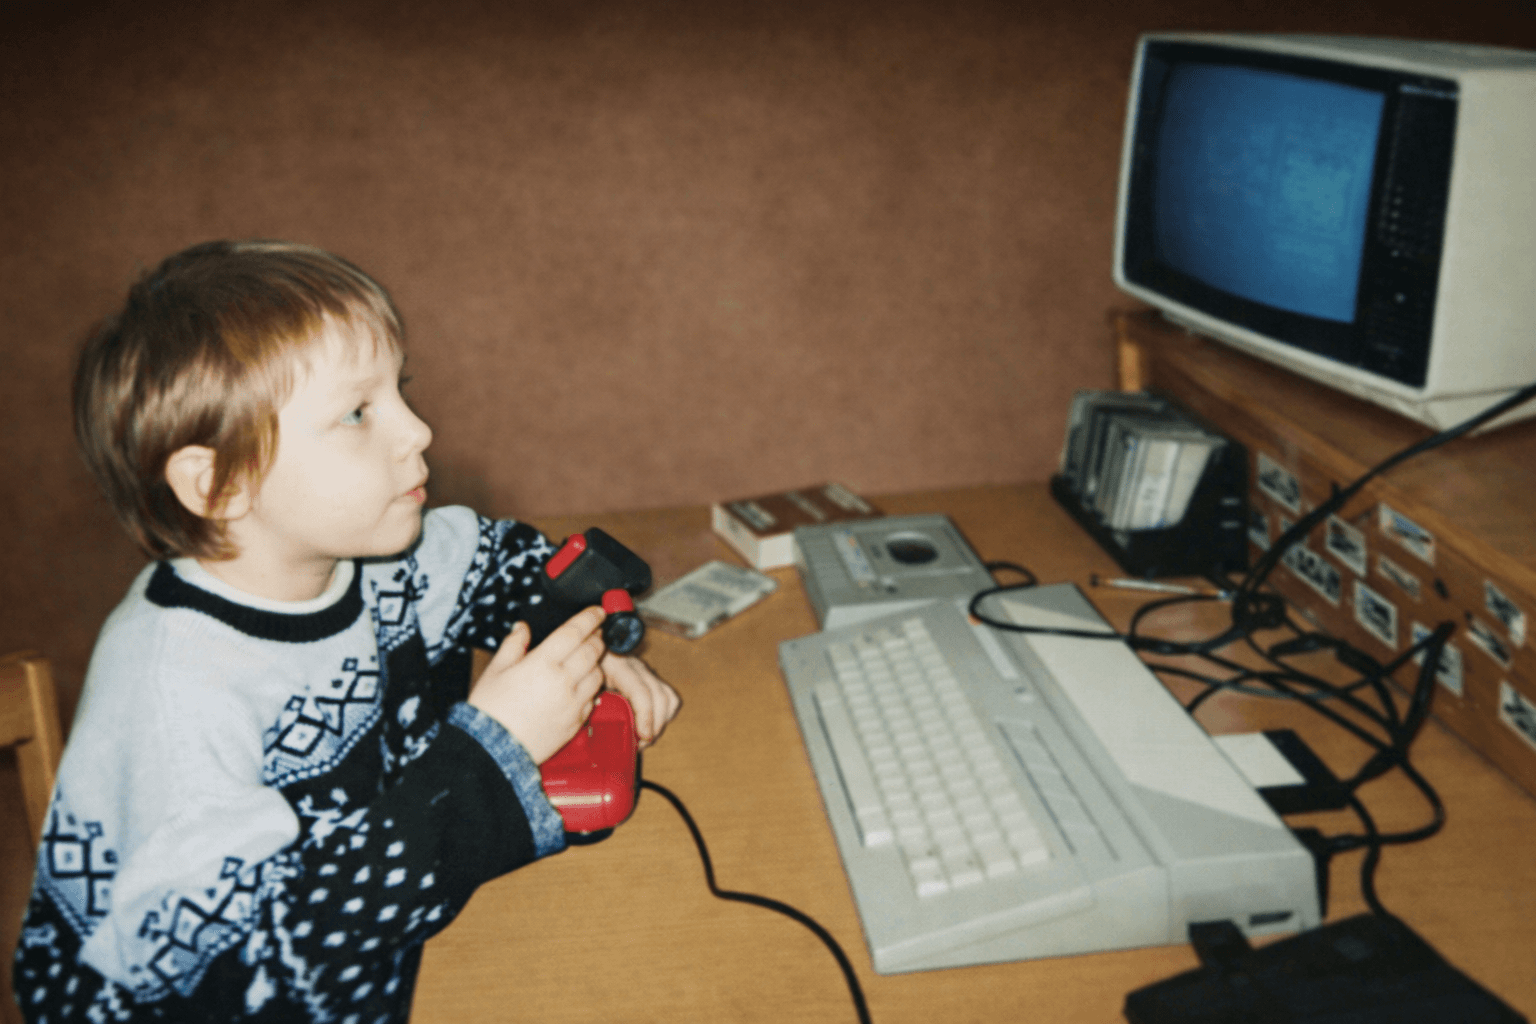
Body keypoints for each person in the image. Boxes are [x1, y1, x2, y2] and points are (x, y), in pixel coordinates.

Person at [12, 240, 681, 1023]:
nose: (418, 431)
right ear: (221, 482)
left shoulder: (374, 550)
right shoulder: (171, 699)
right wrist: (488, 753)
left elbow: (496, 563)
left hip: (387, 931)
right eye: (358, 413)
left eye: (401, 390)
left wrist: (580, 643)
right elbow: (243, 971)